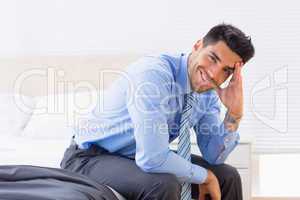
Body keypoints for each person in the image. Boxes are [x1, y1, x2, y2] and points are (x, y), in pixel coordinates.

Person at [61, 23, 255, 200]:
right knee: (163, 184)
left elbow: (214, 156)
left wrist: (234, 114)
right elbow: (152, 158)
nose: (214, 74)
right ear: (198, 45)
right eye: (212, 58)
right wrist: (205, 177)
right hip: (90, 158)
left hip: (134, 156)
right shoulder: (153, 75)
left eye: (226, 71)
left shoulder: (207, 93)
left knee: (227, 176)